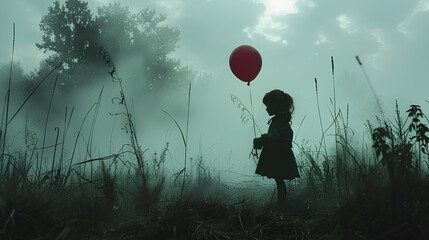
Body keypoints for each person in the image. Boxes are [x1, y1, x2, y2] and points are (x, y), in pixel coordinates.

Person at [253, 89, 300, 210]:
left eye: (268, 106)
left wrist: (261, 140)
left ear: (276, 106)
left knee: (279, 179)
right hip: (279, 155)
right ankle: (282, 202)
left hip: (279, 157)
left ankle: (282, 203)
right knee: (278, 179)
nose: (266, 109)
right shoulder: (280, 121)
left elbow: (274, 138)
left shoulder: (280, 122)